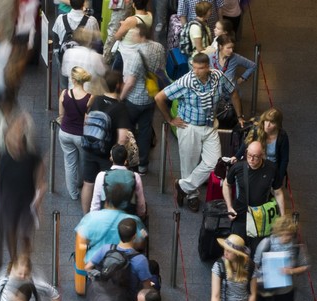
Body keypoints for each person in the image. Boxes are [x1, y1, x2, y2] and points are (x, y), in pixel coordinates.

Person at [156, 52, 242, 213]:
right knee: (188, 164)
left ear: (208, 67)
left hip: (210, 125)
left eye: (200, 68)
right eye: (194, 67)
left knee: (215, 163)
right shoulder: (185, 82)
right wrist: (170, 119)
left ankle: (183, 186)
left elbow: (233, 92)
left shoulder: (217, 77)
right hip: (189, 127)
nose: (196, 71)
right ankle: (192, 196)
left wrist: (240, 116)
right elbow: (160, 97)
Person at [0, 110, 45, 264]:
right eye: (15, 138)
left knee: (25, 232)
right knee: (10, 229)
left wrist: (39, 199)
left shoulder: (33, 152)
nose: (19, 143)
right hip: (7, 195)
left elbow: (41, 180)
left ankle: (25, 258)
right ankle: (13, 259)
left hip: (27, 196)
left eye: (22, 139)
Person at [80, 71, 132, 214]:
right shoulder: (120, 108)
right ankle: (105, 215)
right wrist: (117, 155)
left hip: (89, 148)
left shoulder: (96, 99)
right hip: (106, 154)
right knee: (107, 185)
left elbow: (86, 118)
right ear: (118, 86)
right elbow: (122, 138)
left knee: (88, 183)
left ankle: (86, 216)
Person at [118, 23, 164, 175]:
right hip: (151, 96)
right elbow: (161, 69)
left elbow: (130, 82)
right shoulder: (158, 47)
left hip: (134, 100)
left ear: (142, 35)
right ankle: (143, 165)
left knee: (129, 131)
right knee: (145, 131)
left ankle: (131, 162)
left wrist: (120, 98)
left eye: (134, 34)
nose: (132, 36)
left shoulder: (136, 55)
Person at [223, 141, 285, 250]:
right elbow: (226, 184)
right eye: (249, 155)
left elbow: (278, 192)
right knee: (235, 250)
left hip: (260, 218)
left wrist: (283, 215)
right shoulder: (238, 167)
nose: (251, 159)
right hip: (240, 215)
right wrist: (229, 207)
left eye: (255, 157)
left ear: (262, 155)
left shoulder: (271, 169)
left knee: (258, 253)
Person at [75, 187, 147, 259]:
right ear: (125, 204)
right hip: (122, 264)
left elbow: (82, 241)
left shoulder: (91, 217)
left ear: (106, 202)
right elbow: (139, 245)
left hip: (94, 262)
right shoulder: (132, 221)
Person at [57, 67, 94, 202]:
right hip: (81, 135)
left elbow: (61, 115)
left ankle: (73, 193)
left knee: (70, 163)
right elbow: (88, 118)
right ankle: (82, 184)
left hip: (65, 132)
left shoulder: (64, 93)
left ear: (73, 80)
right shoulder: (90, 98)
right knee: (84, 161)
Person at [234, 107, 289, 196]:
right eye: (266, 121)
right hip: (257, 164)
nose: (267, 125)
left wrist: (279, 178)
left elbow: (284, 160)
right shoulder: (257, 130)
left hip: (271, 168)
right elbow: (246, 143)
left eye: (272, 122)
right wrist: (236, 157)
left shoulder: (282, 136)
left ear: (278, 124)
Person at [90, 146, 147, 216]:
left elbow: (96, 202)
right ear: (126, 160)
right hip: (127, 218)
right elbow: (140, 203)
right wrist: (141, 214)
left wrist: (93, 217)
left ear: (111, 158)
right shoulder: (135, 176)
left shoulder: (101, 175)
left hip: (106, 215)